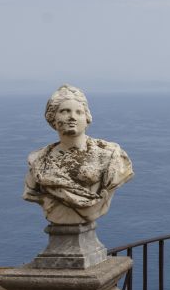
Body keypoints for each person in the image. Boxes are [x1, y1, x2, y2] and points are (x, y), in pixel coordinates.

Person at [23, 84, 133, 225]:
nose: (72, 117)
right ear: (52, 118)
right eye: (65, 111)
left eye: (78, 112)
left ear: (87, 118)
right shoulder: (39, 160)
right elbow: (31, 193)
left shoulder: (110, 155)